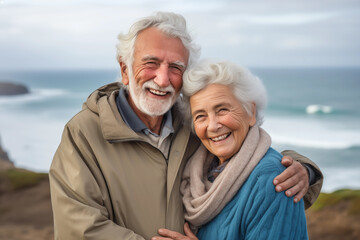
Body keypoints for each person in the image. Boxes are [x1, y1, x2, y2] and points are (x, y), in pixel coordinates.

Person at [49, 12, 322, 240]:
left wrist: (303, 169)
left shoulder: (193, 122)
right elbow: (78, 227)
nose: (162, 78)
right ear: (125, 69)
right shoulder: (84, 133)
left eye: (176, 67)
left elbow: (247, 156)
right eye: (151, 63)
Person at [153, 61, 321, 240]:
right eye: (201, 116)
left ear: (251, 112)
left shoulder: (271, 180)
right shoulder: (198, 174)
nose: (213, 125)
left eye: (222, 110)